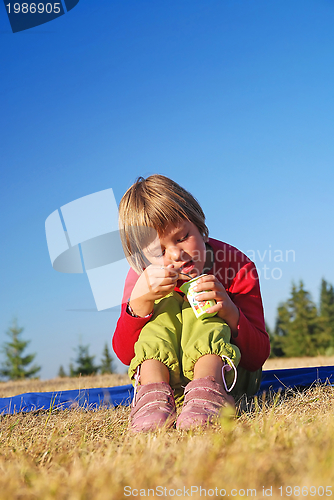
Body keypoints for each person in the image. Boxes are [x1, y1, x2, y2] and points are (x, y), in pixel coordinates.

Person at [113, 175, 270, 432]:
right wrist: (139, 304)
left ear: (199, 225)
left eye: (183, 237)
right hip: (170, 391)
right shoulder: (142, 278)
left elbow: (258, 356)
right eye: (159, 252)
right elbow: (125, 354)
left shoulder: (237, 265)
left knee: (202, 299)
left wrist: (230, 312)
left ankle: (207, 389)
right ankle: (152, 398)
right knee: (164, 306)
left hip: (230, 380)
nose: (176, 254)